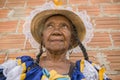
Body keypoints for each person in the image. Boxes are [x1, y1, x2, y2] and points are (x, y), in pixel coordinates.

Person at [0, 1, 110, 80]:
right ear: (42, 36)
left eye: (64, 26)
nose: (56, 31)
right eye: (50, 26)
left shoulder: (88, 73)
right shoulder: (20, 68)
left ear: (72, 37)